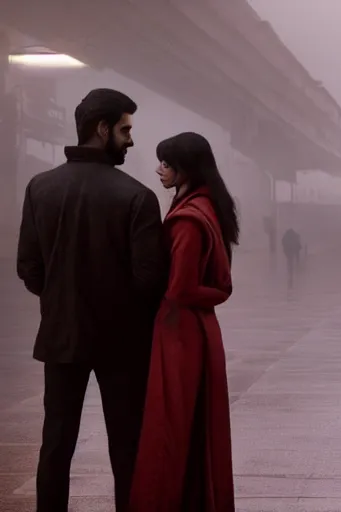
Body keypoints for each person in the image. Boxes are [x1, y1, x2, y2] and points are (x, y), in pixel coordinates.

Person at [16, 88, 166, 511]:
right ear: (103, 129)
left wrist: (61, 299)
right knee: (127, 446)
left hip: (62, 336)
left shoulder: (39, 188)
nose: (131, 140)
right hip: (122, 344)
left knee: (56, 444)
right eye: (125, 129)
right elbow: (149, 280)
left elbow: (29, 266)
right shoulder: (137, 197)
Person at [130, 132, 238, 511]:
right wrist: (218, 293)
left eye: (166, 162)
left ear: (185, 168)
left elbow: (180, 290)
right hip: (200, 330)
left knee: (171, 425)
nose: (159, 169)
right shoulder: (206, 207)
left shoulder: (187, 221)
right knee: (196, 424)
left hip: (179, 333)